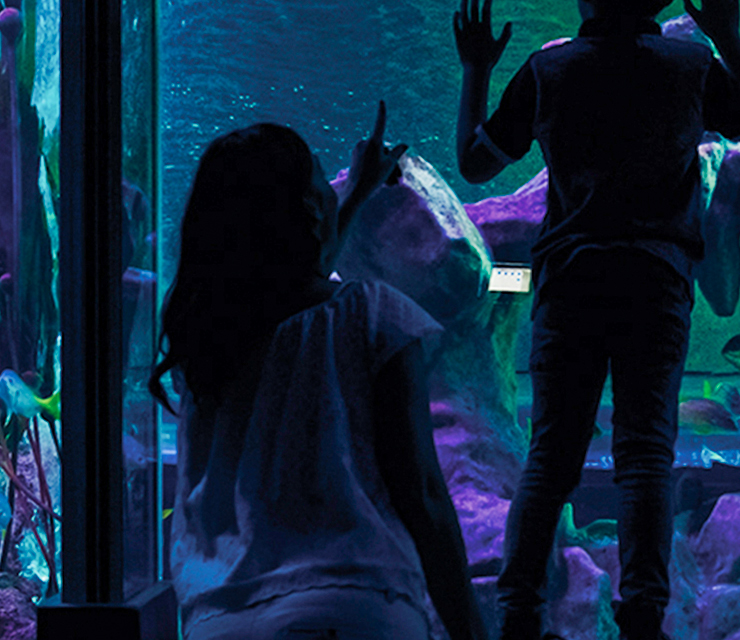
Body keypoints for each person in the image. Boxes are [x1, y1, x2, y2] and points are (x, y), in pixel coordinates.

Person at [454, 0, 740, 640]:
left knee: (552, 455)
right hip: (657, 282)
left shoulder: (549, 69)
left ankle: (516, 614)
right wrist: (729, 37)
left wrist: (475, 69)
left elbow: (476, 160)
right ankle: (642, 614)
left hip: (569, 282)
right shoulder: (692, 65)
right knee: (643, 455)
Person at [151, 105, 488, 640]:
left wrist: (356, 192)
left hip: (222, 617)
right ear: (311, 209)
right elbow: (422, 494)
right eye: (317, 179)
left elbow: (292, 289)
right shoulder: (377, 314)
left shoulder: (205, 339)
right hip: (353, 606)